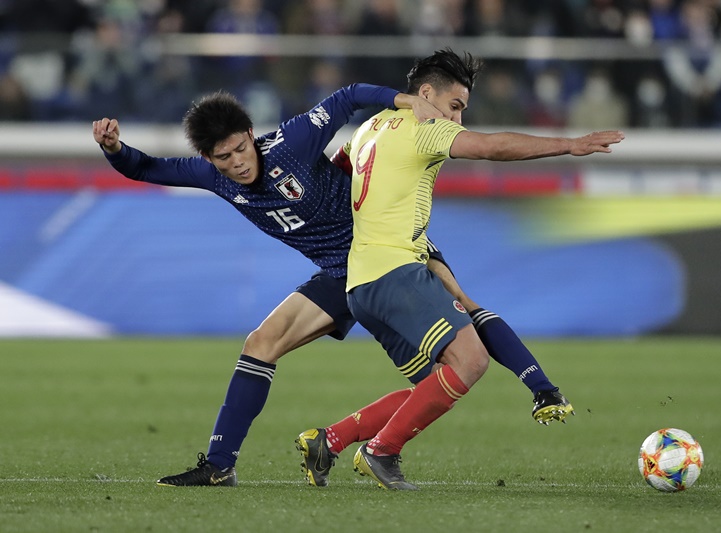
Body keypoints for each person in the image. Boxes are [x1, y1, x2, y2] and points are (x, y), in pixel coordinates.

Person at [91, 81, 572, 488]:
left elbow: (349, 96)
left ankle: (533, 391)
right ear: (208, 159)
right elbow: (145, 167)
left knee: (445, 366)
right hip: (341, 275)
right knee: (260, 344)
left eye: (240, 148)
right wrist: (114, 148)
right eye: (224, 158)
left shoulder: (293, 142)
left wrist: (408, 101)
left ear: (251, 134)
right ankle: (221, 465)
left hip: (389, 257)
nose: (237, 162)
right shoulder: (214, 177)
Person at [298, 49, 624, 490]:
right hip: (395, 269)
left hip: (360, 282)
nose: (457, 120)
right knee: (470, 360)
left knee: (434, 385)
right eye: (454, 106)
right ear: (425, 94)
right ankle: (381, 451)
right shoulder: (423, 126)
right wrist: (569, 145)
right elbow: (489, 147)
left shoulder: (369, 127)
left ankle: (329, 440)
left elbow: (337, 169)